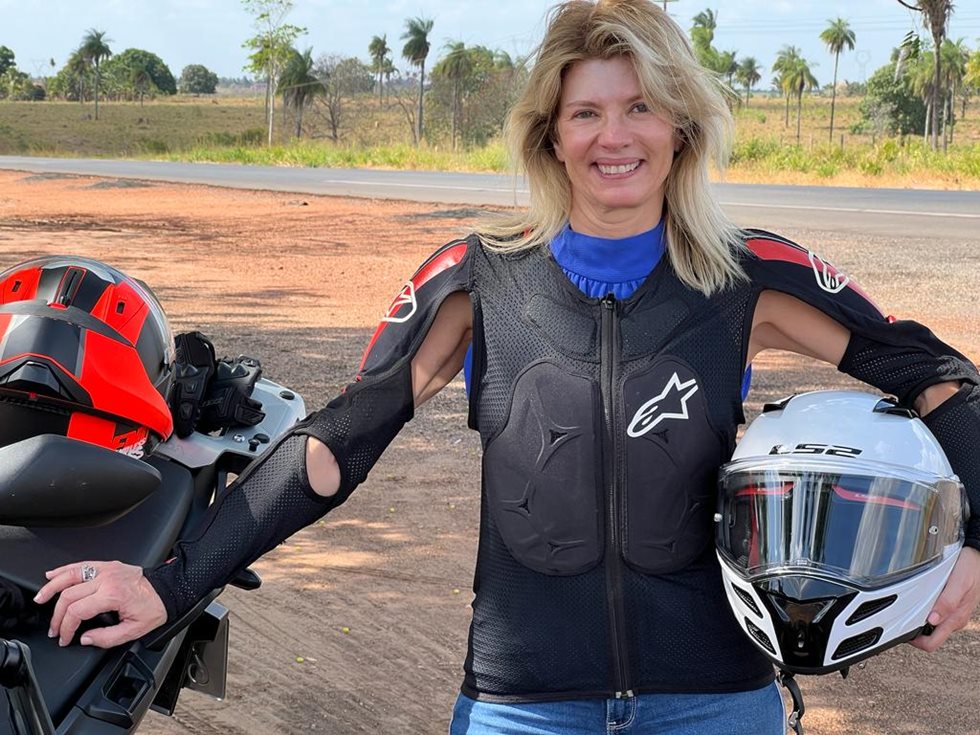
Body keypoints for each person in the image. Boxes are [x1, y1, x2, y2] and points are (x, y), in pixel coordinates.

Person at [36, 1, 980, 733]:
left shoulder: (747, 280)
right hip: (522, 703)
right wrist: (170, 584)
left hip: (716, 699)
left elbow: (941, 378)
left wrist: (975, 546)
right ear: (550, 134)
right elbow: (334, 447)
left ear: (681, 125)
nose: (617, 136)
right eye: (588, 111)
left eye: (642, 106)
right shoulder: (474, 280)